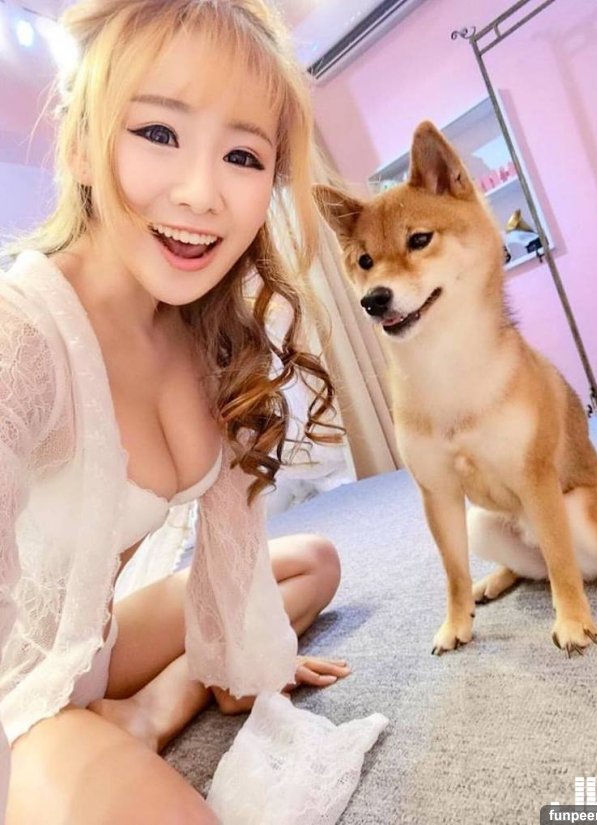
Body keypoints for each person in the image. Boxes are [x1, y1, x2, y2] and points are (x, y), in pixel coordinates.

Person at [0, 0, 351, 821]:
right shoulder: (23, 335)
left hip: (94, 642)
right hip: (17, 697)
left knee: (313, 563)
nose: (201, 194)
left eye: (242, 155)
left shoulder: (202, 333)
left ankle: (152, 709)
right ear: (81, 145)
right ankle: (119, 724)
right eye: (158, 133)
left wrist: (245, 658)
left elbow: (237, 574)